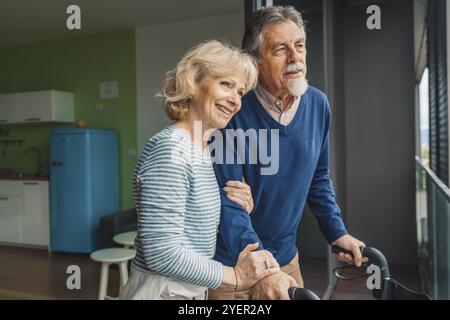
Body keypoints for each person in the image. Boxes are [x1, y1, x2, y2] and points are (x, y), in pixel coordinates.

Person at [208, 6, 366, 300]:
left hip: (286, 261)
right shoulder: (232, 111)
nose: (295, 57)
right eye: (280, 49)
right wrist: (264, 269)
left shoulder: (318, 105)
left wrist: (337, 232)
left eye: (300, 46)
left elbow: (318, 178)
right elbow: (229, 203)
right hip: (234, 266)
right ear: (255, 60)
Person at [120, 40, 280, 300]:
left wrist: (240, 207)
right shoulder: (171, 150)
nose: (235, 100)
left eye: (240, 92)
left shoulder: (202, 150)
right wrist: (236, 276)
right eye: (226, 84)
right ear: (192, 82)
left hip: (186, 289)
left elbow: (190, 230)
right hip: (161, 291)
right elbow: (161, 253)